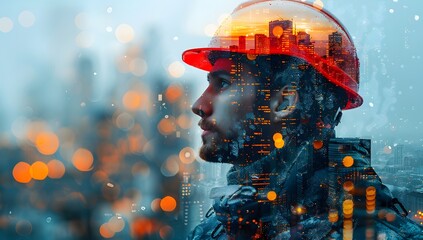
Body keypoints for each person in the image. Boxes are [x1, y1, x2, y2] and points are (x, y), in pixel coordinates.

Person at [182, 0, 423, 239]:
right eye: (210, 84)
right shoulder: (219, 228)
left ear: (285, 103)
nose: (199, 105)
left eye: (223, 83)